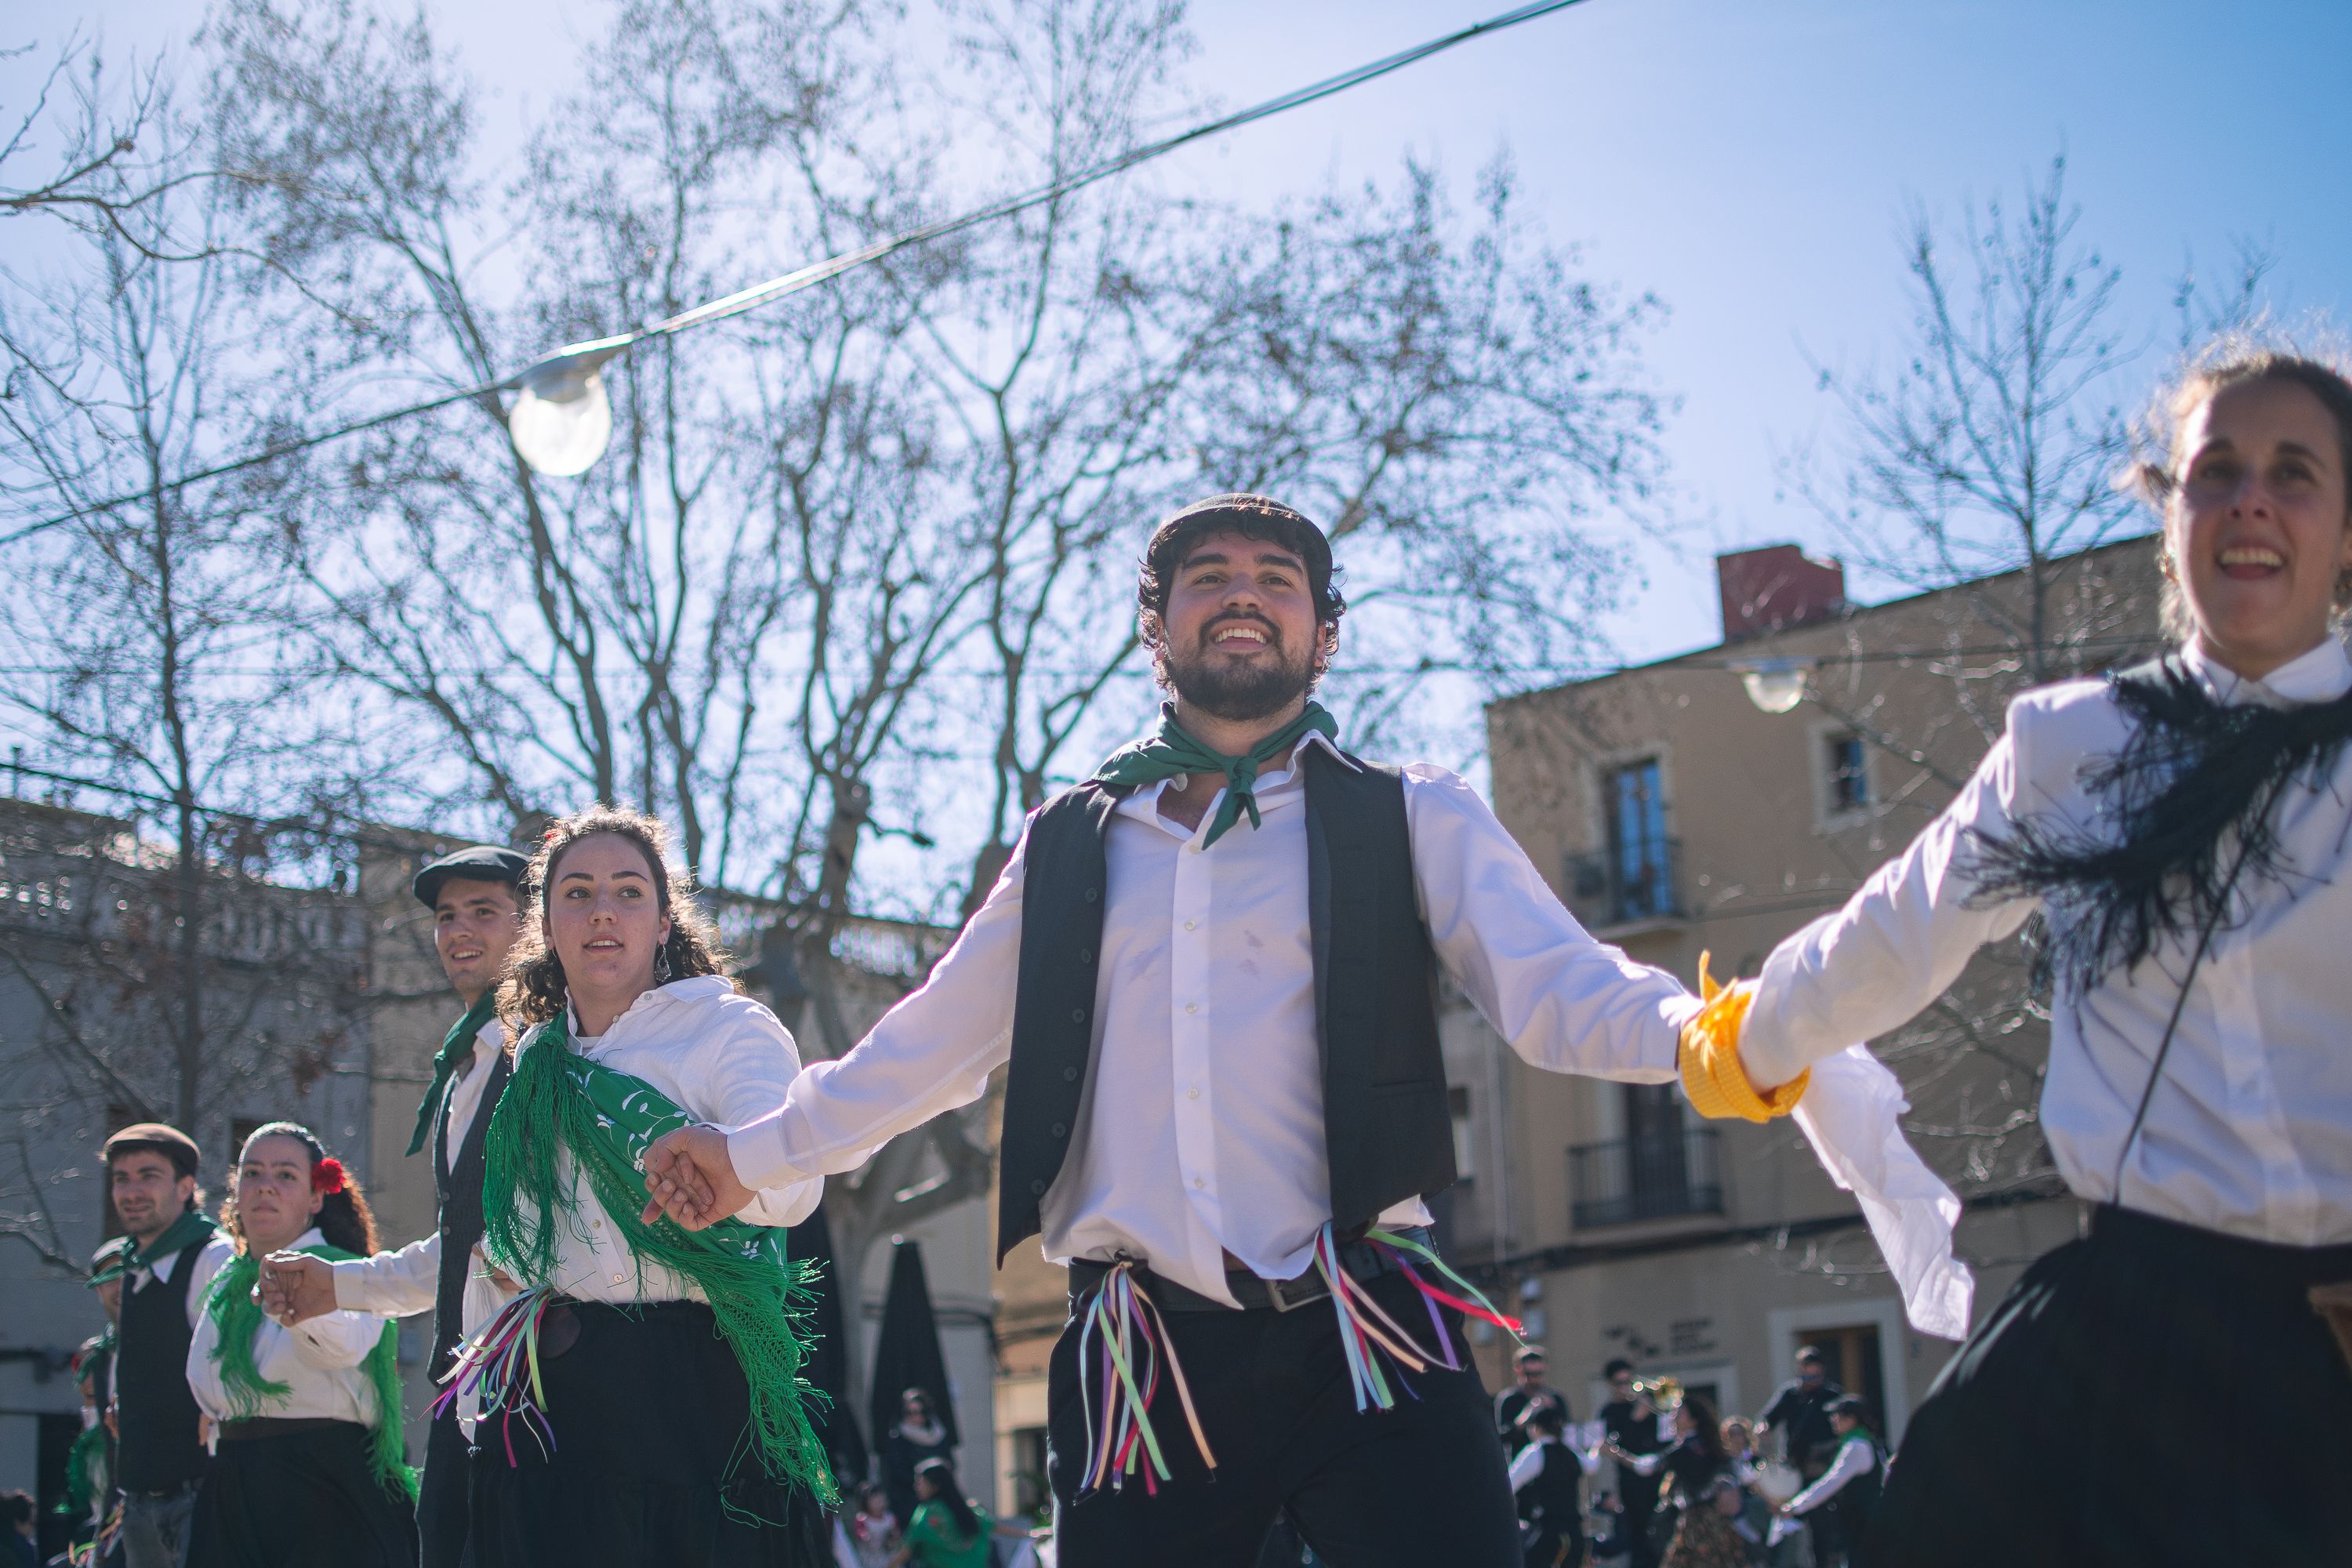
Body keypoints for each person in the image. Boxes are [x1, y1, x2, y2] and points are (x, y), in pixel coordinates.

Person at [640, 494, 1706, 1568]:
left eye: (1276, 578)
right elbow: (929, 1043)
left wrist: (1713, 1037)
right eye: (1209, 576)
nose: (1243, 593)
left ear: (1326, 634)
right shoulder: (1070, 842)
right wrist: (751, 1156)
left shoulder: (1412, 813)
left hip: (1371, 1331)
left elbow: (1559, 986)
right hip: (1141, 1363)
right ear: (1156, 626)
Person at [1679, 339, 2352, 1565]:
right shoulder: (2076, 746)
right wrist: (1742, 1043)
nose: (2252, 498)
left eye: (2294, 472)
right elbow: (1895, 933)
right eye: (2218, 470)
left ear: (2349, 532)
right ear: (2172, 524)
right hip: (2131, 1337)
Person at [452, 807, 832, 1566]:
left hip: (697, 1393)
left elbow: (796, 1177)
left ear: (663, 923)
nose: (603, 911)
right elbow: (511, 1249)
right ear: (547, 926)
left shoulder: (728, 1028)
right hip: (559, 1400)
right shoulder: (536, 1062)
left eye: (629, 891)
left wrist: (728, 1171)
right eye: (578, 892)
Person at [253, 843, 529, 1568]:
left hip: (539, 1399)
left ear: (530, 925)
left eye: (483, 911)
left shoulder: (546, 1055)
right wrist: (336, 1285)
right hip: (463, 1391)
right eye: (447, 916)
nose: (458, 930)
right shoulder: (469, 1062)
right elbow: (461, 1246)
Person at [185, 1122, 418, 1567]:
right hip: (233, 1485)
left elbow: (344, 1346)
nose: (265, 1187)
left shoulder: (346, 1273)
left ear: (315, 1197)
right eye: (252, 1173)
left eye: (285, 1175)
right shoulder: (225, 1283)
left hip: (322, 1490)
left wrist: (299, 1307)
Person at [102, 1123, 228, 1568]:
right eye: (121, 1178)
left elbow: (235, 1373)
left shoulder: (215, 1258)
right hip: (139, 1504)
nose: (132, 1191)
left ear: (186, 1187)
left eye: (148, 1176)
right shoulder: (132, 1266)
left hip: (201, 1496)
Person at [1606, 1394, 1746, 1568]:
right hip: (1721, 1524)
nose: (1672, 1418)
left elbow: (1646, 1467)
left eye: (1679, 1414)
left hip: (1696, 1524)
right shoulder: (1714, 1449)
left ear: (1693, 1421)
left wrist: (1615, 1453)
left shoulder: (1682, 1451)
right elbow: (1742, 1475)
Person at [63, 1236, 130, 1559]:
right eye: (109, 1279)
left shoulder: (171, 1342)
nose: (120, 1287)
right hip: (113, 1516)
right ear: (98, 1291)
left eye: (126, 1274)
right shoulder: (102, 1359)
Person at [1754, 1348, 1842, 1562]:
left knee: (1823, 1530)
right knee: (1791, 1526)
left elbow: (1841, 1437)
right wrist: (1763, 1429)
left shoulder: (1832, 1396)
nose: (1811, 1380)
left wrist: (1825, 1461)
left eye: (1815, 1375)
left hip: (1822, 1471)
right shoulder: (1790, 1394)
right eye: (1807, 1375)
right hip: (1796, 1469)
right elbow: (1767, 1418)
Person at [1777, 1399, 1880, 1568]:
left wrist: (1795, 1506)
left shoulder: (1856, 1447)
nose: (1833, 1419)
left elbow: (1830, 1483)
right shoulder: (1868, 1442)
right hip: (1866, 1523)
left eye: (1837, 1415)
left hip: (1863, 1525)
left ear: (1851, 1419)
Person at [1508, 1403, 1595, 1567]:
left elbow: (1509, 1485)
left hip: (1549, 1531)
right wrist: (1597, 1449)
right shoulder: (1571, 1452)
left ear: (1537, 1428)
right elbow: (1592, 1465)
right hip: (1574, 1532)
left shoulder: (1536, 1452)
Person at [1598, 1362, 1666, 1568]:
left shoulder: (1646, 1404)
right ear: (1610, 1385)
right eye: (1619, 1383)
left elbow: (1666, 1435)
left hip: (1659, 1480)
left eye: (1628, 1381)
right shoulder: (1610, 1411)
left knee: (1663, 1534)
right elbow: (1610, 1445)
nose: (1625, 1387)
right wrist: (1635, 1418)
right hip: (1632, 1485)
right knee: (1639, 1539)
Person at [887, 1457, 1014, 1568]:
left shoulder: (928, 1513)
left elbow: (906, 1551)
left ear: (935, 1485)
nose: (916, 1487)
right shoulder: (968, 1509)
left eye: (920, 1482)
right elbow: (993, 1526)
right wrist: (1024, 1534)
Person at [878, 1388, 954, 1533]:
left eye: (921, 1412)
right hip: (909, 1504)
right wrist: (922, 1482)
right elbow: (896, 1472)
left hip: (940, 1502)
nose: (916, 1417)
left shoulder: (939, 1435)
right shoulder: (897, 1439)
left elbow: (949, 1464)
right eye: (910, 1413)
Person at [1497, 1345, 1570, 1455]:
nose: (1534, 1379)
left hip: (1551, 1460)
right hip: (1521, 1459)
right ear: (1518, 1370)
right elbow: (1500, 1437)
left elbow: (1567, 1432)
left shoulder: (1556, 1398)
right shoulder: (1509, 1399)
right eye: (1529, 1374)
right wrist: (1526, 1416)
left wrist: (1553, 1411)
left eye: (1539, 1374)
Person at [846, 1486, 901, 1568]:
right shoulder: (863, 1519)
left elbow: (897, 1533)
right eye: (875, 1500)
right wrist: (865, 1536)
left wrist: (893, 1538)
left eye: (881, 1499)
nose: (879, 1502)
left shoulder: (890, 1518)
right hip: (870, 1559)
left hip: (889, 1558)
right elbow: (861, 1534)